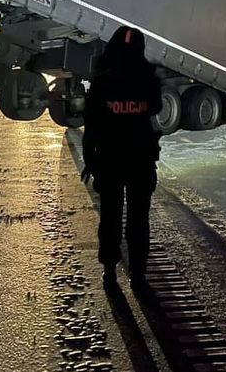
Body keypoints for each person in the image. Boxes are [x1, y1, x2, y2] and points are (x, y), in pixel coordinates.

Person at [81, 25, 163, 290]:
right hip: (140, 159)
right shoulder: (148, 77)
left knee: (110, 217)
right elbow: (156, 106)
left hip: (110, 160)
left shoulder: (102, 80)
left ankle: (109, 271)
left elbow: (91, 124)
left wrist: (89, 160)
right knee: (139, 219)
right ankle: (138, 274)